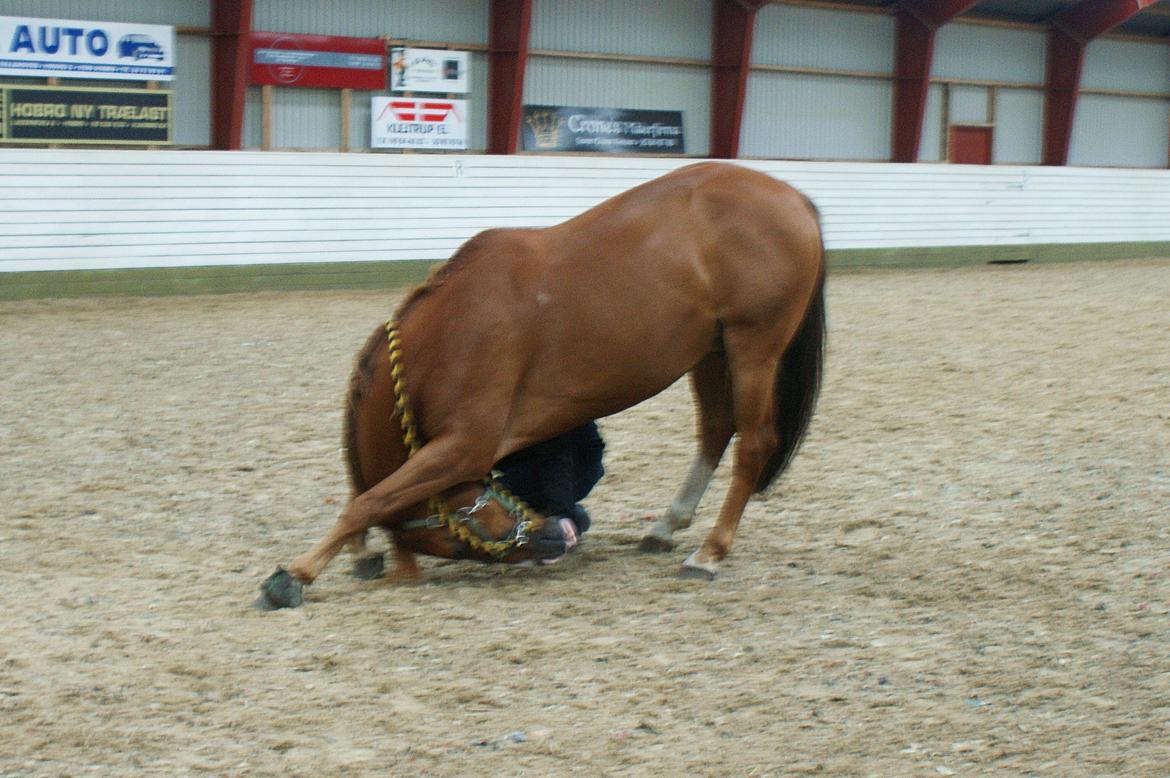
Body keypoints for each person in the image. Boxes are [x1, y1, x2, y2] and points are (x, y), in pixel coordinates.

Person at [494, 421, 605, 560]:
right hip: (582, 470)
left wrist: (561, 511)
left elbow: (555, 454)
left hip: (562, 467)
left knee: (484, 500)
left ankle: (552, 524)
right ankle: (561, 516)